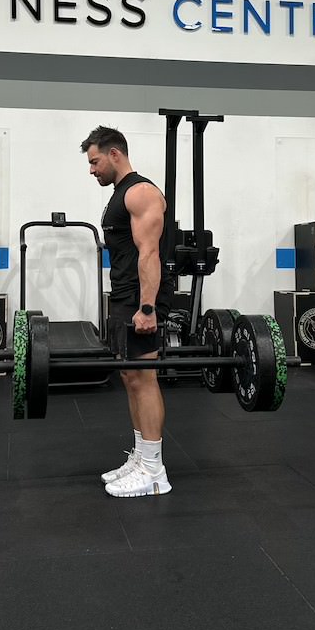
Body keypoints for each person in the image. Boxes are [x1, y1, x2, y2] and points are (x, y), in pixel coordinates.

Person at [80, 125, 175, 497]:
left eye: (94, 161)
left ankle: (154, 471)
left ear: (114, 154)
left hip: (141, 299)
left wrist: (147, 308)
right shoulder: (120, 194)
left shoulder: (140, 192)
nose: (92, 170)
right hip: (123, 295)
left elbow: (149, 253)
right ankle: (141, 456)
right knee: (130, 377)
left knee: (145, 378)